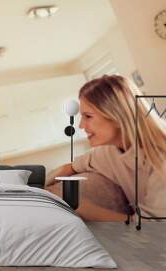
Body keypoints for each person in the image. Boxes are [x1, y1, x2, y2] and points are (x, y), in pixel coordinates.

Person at [46, 75, 166, 221]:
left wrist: (77, 205)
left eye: (88, 116)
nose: (81, 126)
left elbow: (151, 231)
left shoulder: (161, 159)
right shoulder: (107, 152)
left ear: (117, 115)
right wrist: (39, 188)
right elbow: (70, 167)